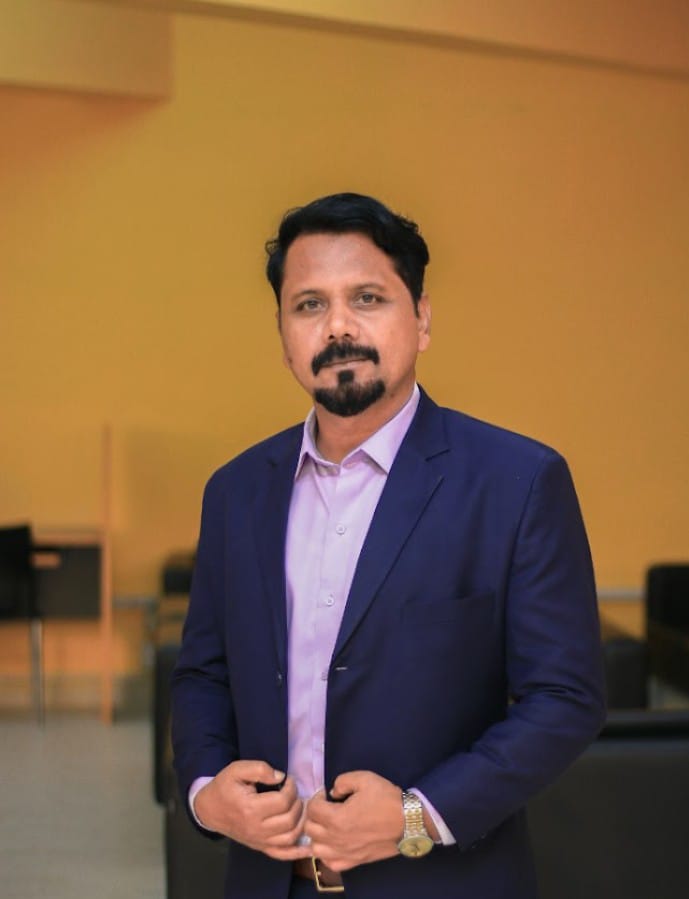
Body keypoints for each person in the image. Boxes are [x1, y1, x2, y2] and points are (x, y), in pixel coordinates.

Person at [171, 192, 605, 899]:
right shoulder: (236, 491)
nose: (338, 326)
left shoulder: (517, 482)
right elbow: (202, 674)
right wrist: (204, 791)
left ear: (422, 318)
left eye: (367, 297)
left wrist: (416, 817)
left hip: (441, 883)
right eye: (309, 305)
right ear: (283, 334)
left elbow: (564, 698)